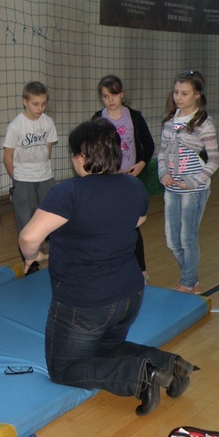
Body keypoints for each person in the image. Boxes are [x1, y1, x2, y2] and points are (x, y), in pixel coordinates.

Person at [19, 119, 194, 416]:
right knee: (103, 350)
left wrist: (30, 256)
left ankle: (140, 376)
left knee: (64, 369)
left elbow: (29, 236)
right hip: (129, 296)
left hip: (86, 303)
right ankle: (170, 365)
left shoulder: (69, 193)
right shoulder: (133, 186)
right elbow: (137, 222)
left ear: (81, 157)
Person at [157, 70, 219, 294]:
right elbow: (163, 152)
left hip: (193, 191)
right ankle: (191, 279)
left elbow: (214, 161)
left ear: (197, 95)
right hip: (171, 189)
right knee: (172, 240)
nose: (178, 97)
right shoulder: (168, 121)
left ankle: (187, 282)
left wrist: (193, 182)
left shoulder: (204, 124)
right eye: (176, 92)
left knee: (187, 238)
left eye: (184, 93)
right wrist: (162, 172)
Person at [92, 74, 155, 283]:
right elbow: (91, 151)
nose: (110, 100)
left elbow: (149, 144)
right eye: (105, 96)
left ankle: (141, 270)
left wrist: (141, 164)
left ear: (122, 94)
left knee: (132, 226)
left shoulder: (134, 117)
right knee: (107, 225)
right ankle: (109, 267)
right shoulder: (97, 119)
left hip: (130, 180)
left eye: (114, 95)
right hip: (107, 182)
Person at [3, 81, 57, 274]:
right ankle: (31, 262)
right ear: (25, 101)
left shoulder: (48, 123)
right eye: (35, 104)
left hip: (45, 178)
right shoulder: (16, 126)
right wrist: (18, 179)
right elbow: (7, 156)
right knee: (25, 222)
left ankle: (56, 256)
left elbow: (47, 150)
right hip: (23, 180)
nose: (40, 108)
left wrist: (41, 171)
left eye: (43, 103)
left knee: (52, 218)